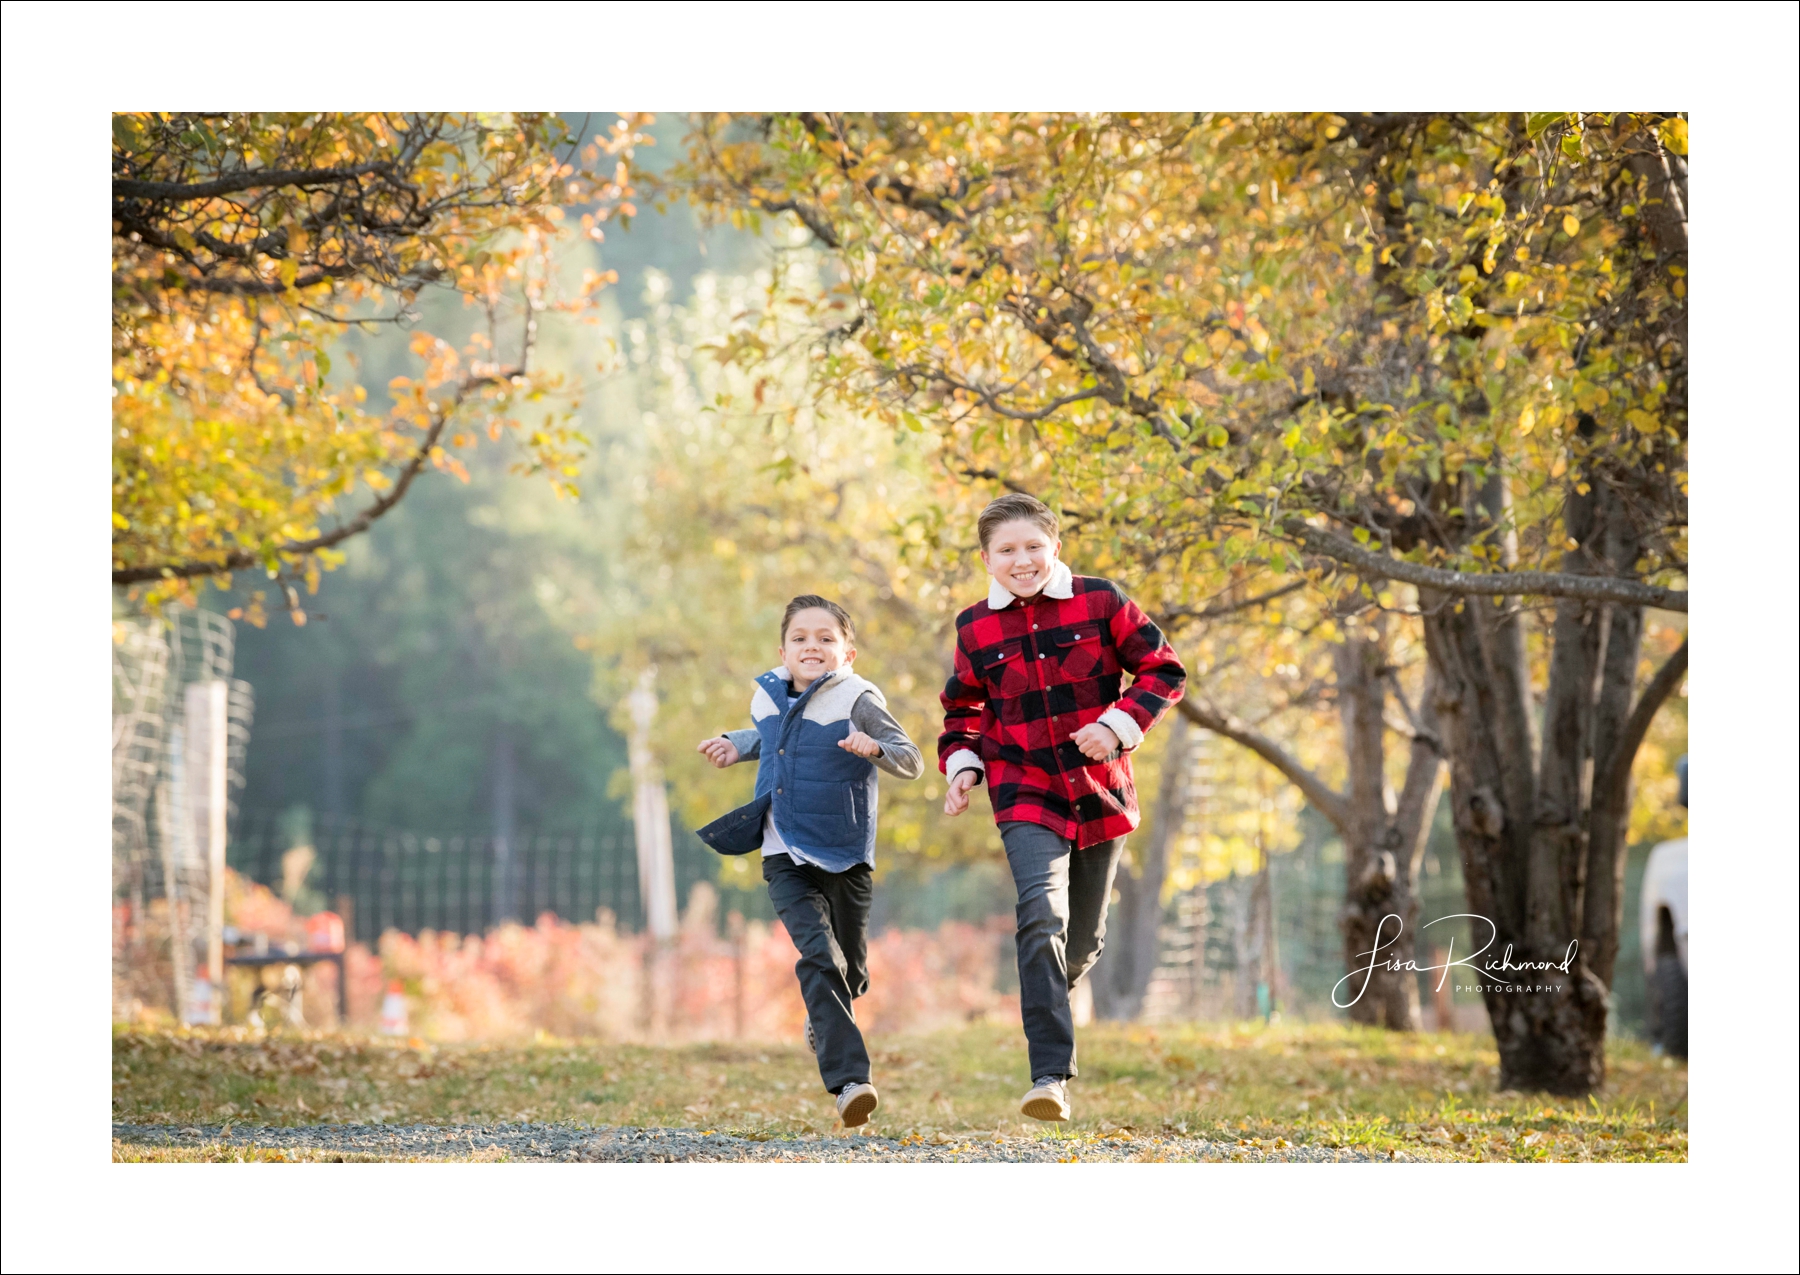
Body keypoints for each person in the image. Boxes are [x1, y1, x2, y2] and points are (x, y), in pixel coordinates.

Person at [939, 493, 1186, 1123]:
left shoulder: (1101, 600)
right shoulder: (974, 627)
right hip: (1022, 786)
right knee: (1038, 917)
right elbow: (963, 709)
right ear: (987, 559)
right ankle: (1049, 1077)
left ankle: (1047, 992)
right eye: (1006, 550)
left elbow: (1164, 670)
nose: (1021, 561)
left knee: (1080, 943)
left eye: (1032, 546)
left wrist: (1117, 725)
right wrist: (963, 767)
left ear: (1055, 546)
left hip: (1100, 787)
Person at [695, 595, 923, 1128]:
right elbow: (777, 738)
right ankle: (850, 1082)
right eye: (800, 638)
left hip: (844, 851)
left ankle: (827, 1013)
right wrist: (737, 743)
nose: (812, 647)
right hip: (782, 850)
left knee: (850, 973)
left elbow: (910, 759)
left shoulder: (858, 697)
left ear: (849, 652)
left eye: (826, 638)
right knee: (819, 958)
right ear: (783, 649)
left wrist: (874, 748)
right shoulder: (768, 695)